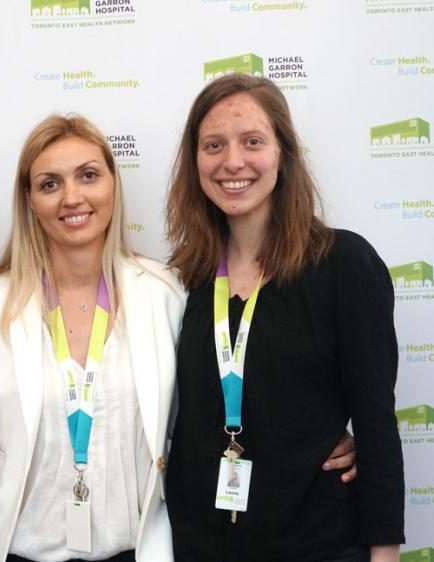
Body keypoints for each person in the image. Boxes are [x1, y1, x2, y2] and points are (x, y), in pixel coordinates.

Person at [164, 74, 404, 562]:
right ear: (196, 162)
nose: (233, 161)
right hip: (201, 543)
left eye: (252, 141)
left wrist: (385, 552)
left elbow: (377, 423)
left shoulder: (344, 264)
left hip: (317, 543)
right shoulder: (182, 278)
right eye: (214, 145)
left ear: (284, 154)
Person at [0, 114, 186, 562]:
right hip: (19, 548)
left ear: (112, 185)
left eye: (88, 175)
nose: (72, 197)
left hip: (135, 546)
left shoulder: (163, 291)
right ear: (29, 200)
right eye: (49, 184)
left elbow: (189, 426)